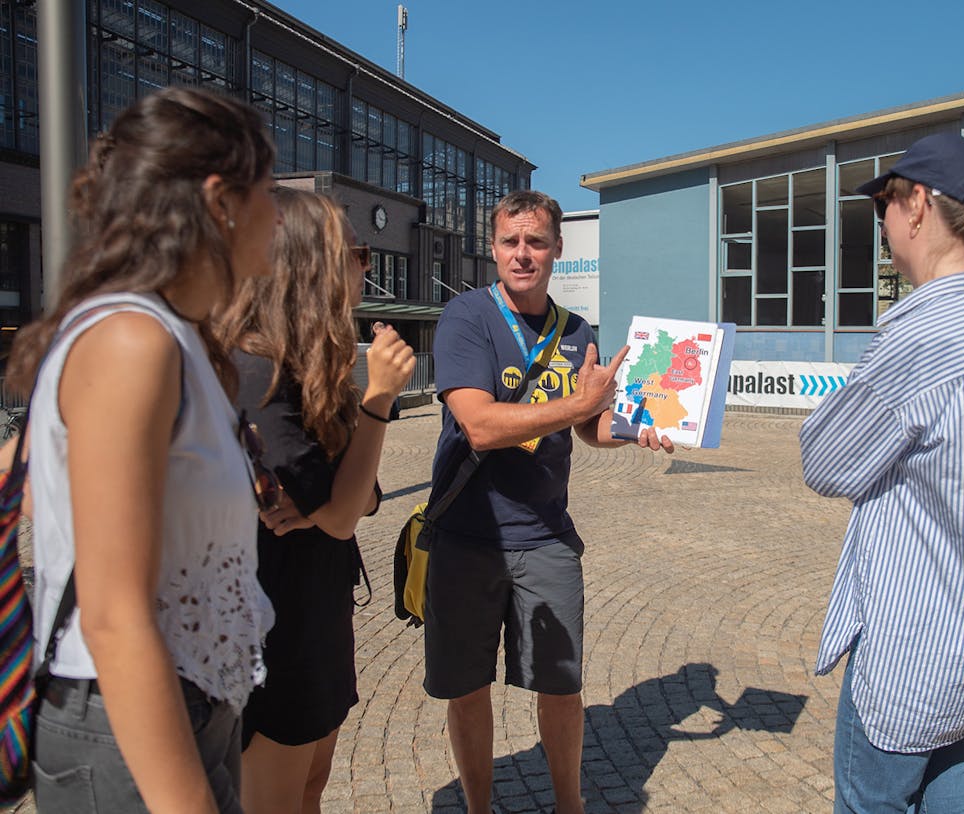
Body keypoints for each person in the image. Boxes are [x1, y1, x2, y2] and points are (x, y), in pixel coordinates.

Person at [13, 87, 278, 812]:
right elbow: (114, 614)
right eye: (269, 192)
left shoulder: (176, 336)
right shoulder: (130, 339)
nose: (279, 215)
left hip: (189, 702)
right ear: (221, 201)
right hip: (127, 722)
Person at [799, 133, 964, 813]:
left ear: (915, 205)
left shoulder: (920, 338)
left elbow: (823, 461)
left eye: (884, 204)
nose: (881, 223)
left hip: (911, 646)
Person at [423, 189, 673, 814]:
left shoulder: (576, 330)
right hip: (466, 535)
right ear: (493, 246)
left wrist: (637, 426)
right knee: (468, 687)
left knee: (561, 686)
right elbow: (478, 424)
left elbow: (589, 425)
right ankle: (480, 807)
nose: (523, 254)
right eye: (511, 241)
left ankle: (570, 806)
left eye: (536, 242)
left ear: (557, 249)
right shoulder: (465, 318)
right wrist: (580, 406)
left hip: (545, 538)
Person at [217, 189, 415, 813]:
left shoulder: (311, 368)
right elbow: (338, 515)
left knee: (311, 785)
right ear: (313, 266)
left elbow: (365, 498)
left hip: (319, 614)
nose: (366, 266)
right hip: (275, 629)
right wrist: (378, 400)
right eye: (356, 253)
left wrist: (338, 498)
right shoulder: (258, 372)